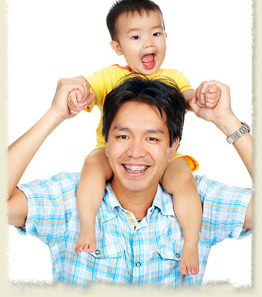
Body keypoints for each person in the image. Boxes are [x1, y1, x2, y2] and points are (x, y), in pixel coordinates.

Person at [8, 75, 252, 289]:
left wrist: (226, 119)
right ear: (106, 141)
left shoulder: (196, 201)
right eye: (123, 136)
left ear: (172, 148)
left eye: (152, 139)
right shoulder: (69, 199)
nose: (135, 152)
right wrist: (56, 114)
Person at [66, 0, 221, 276]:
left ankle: (191, 242)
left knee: (185, 181)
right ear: (117, 47)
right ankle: (87, 226)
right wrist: (80, 93)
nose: (149, 43)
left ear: (166, 36)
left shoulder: (172, 76)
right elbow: (89, 88)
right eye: (136, 36)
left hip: (163, 155)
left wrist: (201, 97)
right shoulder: (110, 76)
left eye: (156, 33)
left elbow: (188, 97)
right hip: (112, 153)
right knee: (92, 166)